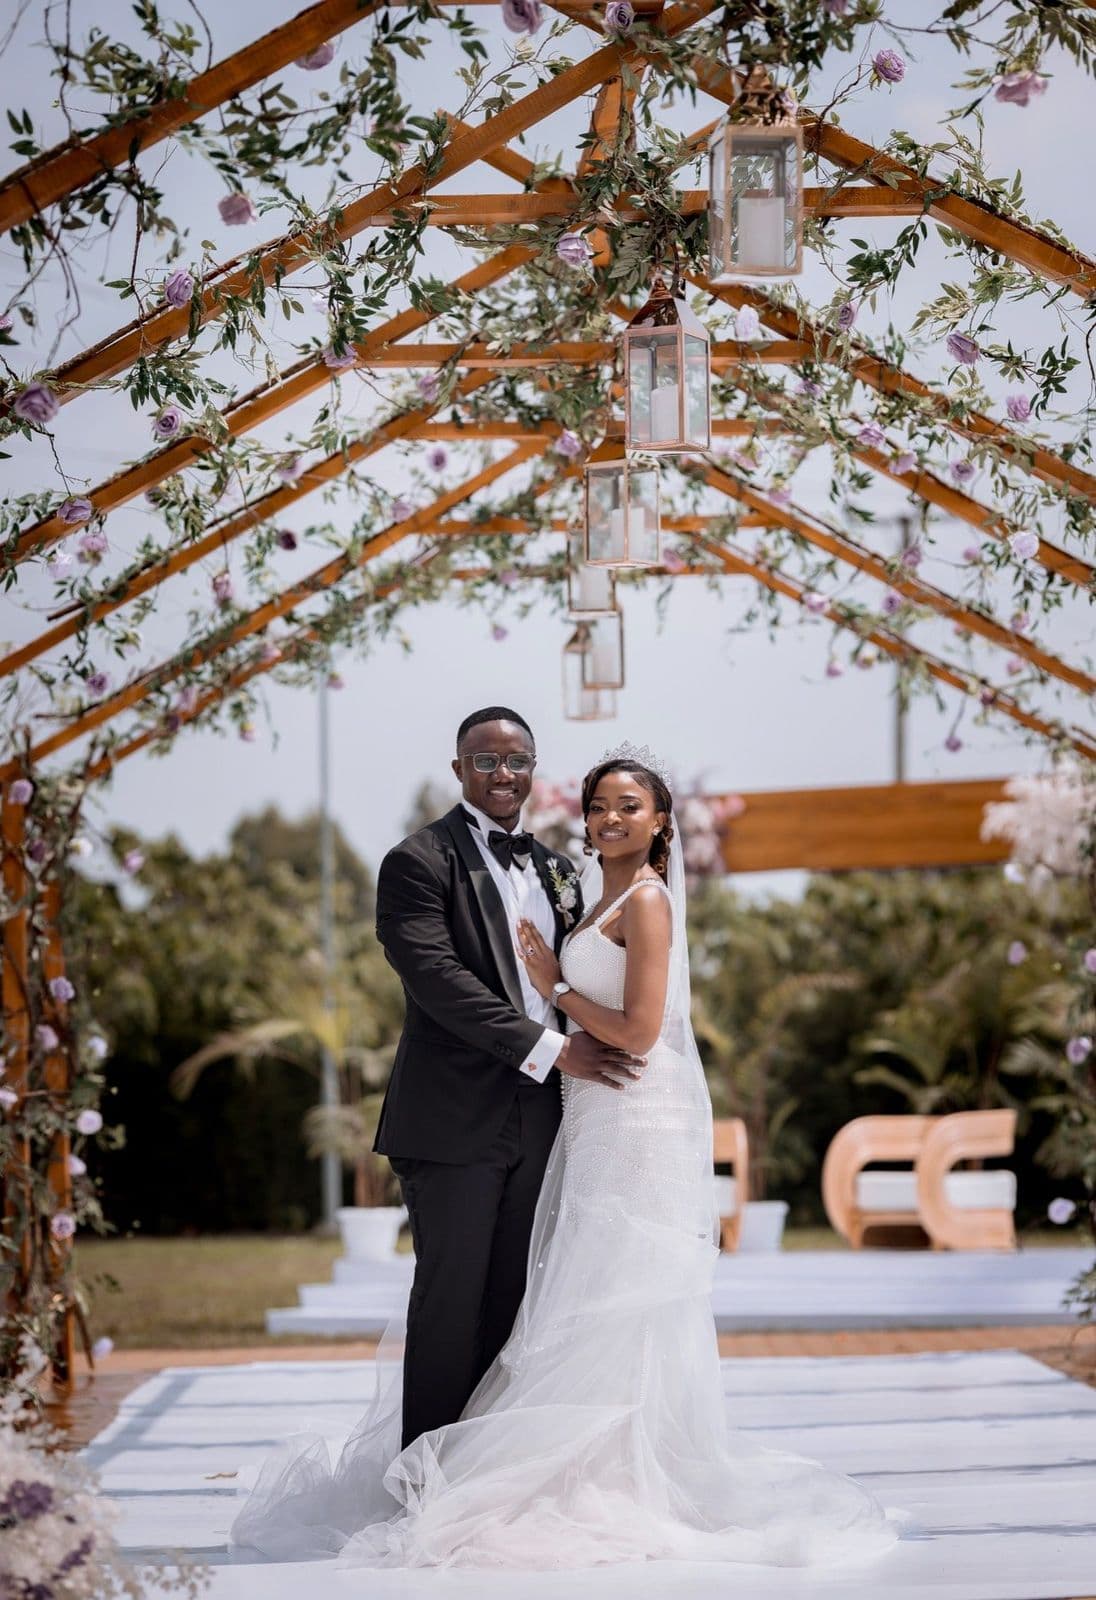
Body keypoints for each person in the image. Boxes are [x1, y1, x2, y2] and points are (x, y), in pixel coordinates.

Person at [229, 740, 904, 1571]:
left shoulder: (615, 891)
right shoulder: (437, 864)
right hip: (509, 1114)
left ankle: (602, 1474)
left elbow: (635, 1029)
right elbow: (437, 977)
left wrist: (555, 993)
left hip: (615, 1107)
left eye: (629, 807)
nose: (610, 818)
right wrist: (554, 1038)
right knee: (492, 1299)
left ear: (661, 822)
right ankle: (434, 1478)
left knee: (595, 1294)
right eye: (599, 806)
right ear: (461, 769)